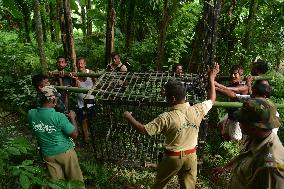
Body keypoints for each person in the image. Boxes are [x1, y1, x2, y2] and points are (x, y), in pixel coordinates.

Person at [123, 63, 219, 189]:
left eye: (166, 96)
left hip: (172, 158)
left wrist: (128, 116)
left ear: (172, 99)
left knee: (160, 185)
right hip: (191, 156)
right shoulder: (197, 109)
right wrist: (212, 79)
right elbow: (212, 99)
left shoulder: (166, 117)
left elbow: (143, 130)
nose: (165, 98)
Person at [211, 98, 284, 188]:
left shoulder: (272, 162)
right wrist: (225, 167)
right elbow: (244, 156)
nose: (239, 123)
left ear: (254, 126)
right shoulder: (254, 138)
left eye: (241, 120)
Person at [27, 85, 85, 187]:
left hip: (48, 155)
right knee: (77, 182)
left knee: (58, 185)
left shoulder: (31, 114)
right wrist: (73, 118)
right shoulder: (59, 116)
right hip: (65, 152)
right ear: (53, 99)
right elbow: (74, 134)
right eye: (57, 98)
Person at [215, 64, 249, 141]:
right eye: (231, 74)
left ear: (240, 75)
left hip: (237, 118)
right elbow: (224, 90)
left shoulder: (244, 87)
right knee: (221, 126)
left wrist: (214, 82)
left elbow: (228, 89)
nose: (232, 76)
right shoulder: (233, 84)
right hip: (231, 115)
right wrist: (215, 80)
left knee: (236, 139)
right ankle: (226, 146)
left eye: (235, 74)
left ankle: (236, 151)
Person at [74, 57, 96, 144]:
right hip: (80, 102)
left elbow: (97, 83)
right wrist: (75, 79)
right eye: (78, 63)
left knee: (91, 119)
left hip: (90, 101)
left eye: (82, 63)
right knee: (83, 120)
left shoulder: (91, 72)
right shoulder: (76, 75)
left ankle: (93, 138)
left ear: (85, 64)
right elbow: (77, 87)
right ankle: (86, 139)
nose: (80, 65)